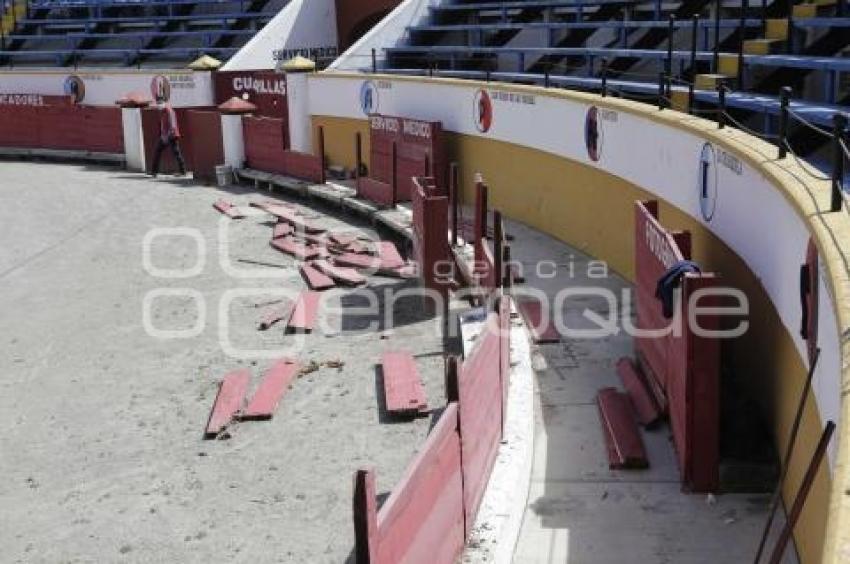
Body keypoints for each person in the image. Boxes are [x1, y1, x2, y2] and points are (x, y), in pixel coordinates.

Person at [150, 97, 186, 177]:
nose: (159, 105)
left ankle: (183, 171)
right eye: (158, 103)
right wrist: (162, 136)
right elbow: (162, 125)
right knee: (157, 152)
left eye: (160, 103)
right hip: (164, 136)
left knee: (176, 153)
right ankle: (154, 172)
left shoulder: (169, 111)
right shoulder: (162, 111)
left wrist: (167, 136)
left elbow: (173, 125)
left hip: (172, 135)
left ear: (164, 102)